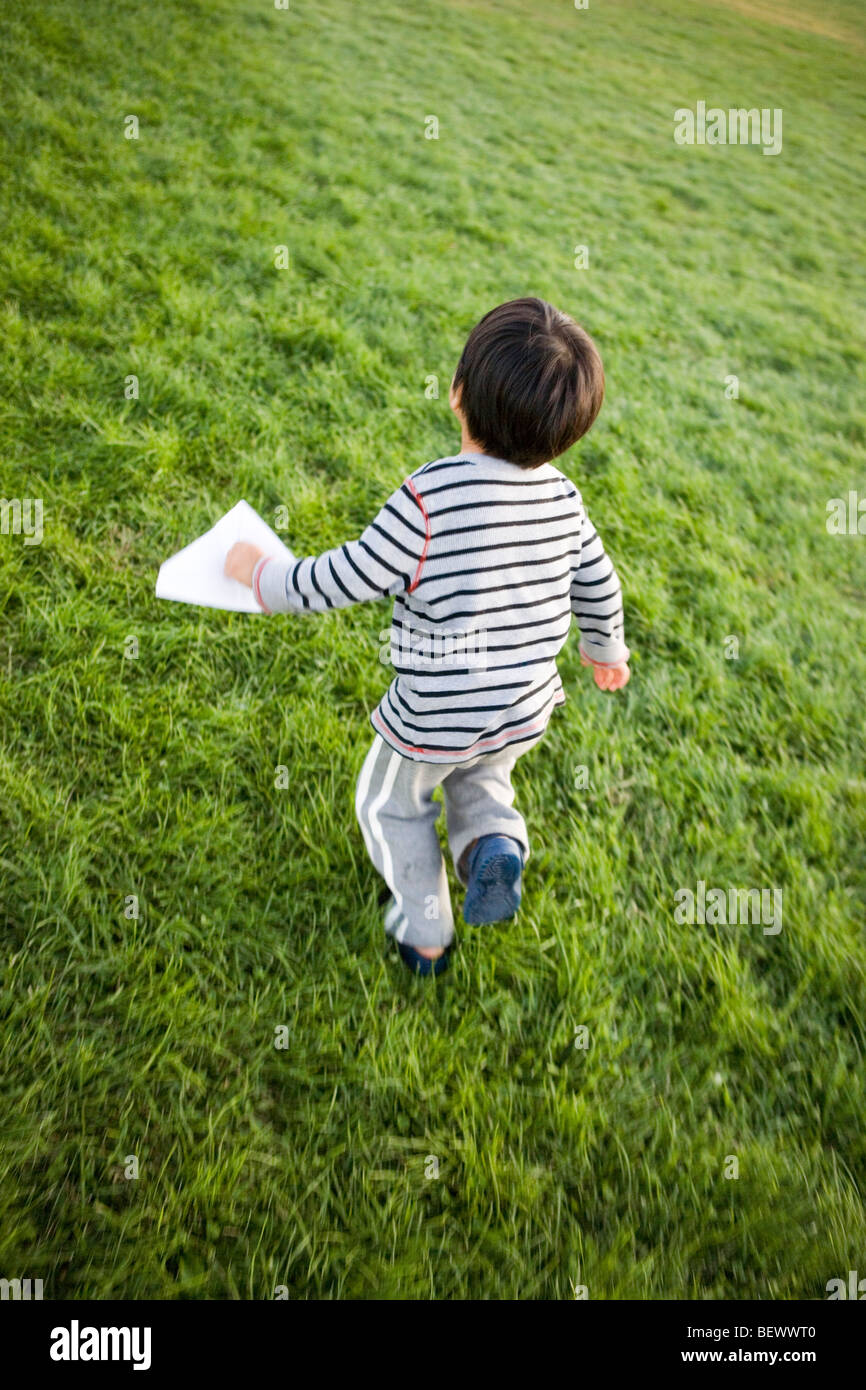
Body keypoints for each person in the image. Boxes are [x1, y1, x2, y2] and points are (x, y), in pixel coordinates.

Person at [225, 298, 630, 976]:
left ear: (458, 394)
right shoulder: (563, 497)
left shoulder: (428, 499)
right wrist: (605, 648)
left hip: (435, 712)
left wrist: (264, 577)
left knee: (391, 807)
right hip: (523, 704)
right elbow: (600, 580)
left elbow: (346, 576)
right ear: (568, 433)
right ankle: (492, 846)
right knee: (482, 777)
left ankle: (427, 929)